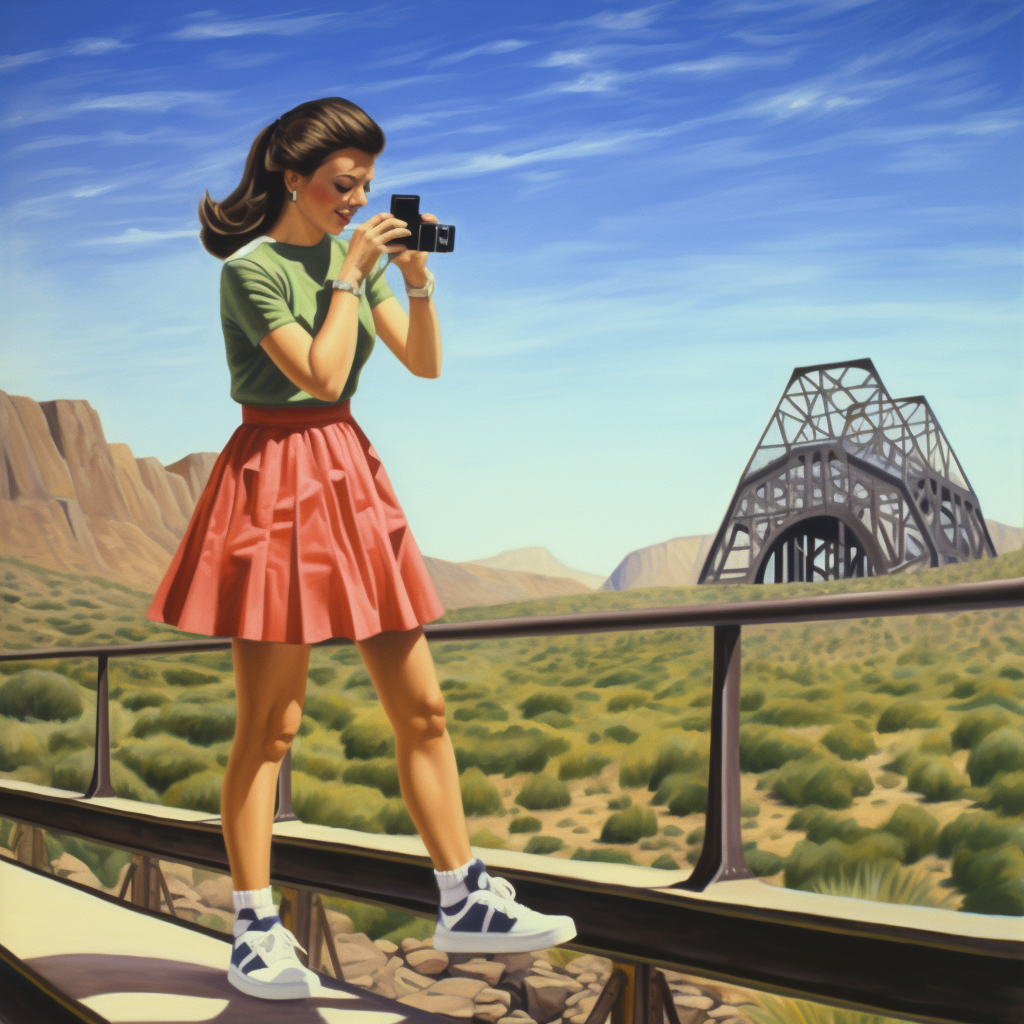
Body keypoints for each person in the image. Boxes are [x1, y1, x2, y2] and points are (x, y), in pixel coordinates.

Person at [146, 97, 576, 1002]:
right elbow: (323, 371)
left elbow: (422, 364)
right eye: (345, 184)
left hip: (345, 473)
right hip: (271, 477)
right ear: (293, 179)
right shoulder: (251, 271)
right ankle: (256, 926)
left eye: (368, 185)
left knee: (423, 710)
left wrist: (413, 280)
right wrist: (350, 272)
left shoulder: (363, 259)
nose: (359, 199)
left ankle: (465, 896)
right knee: (272, 727)